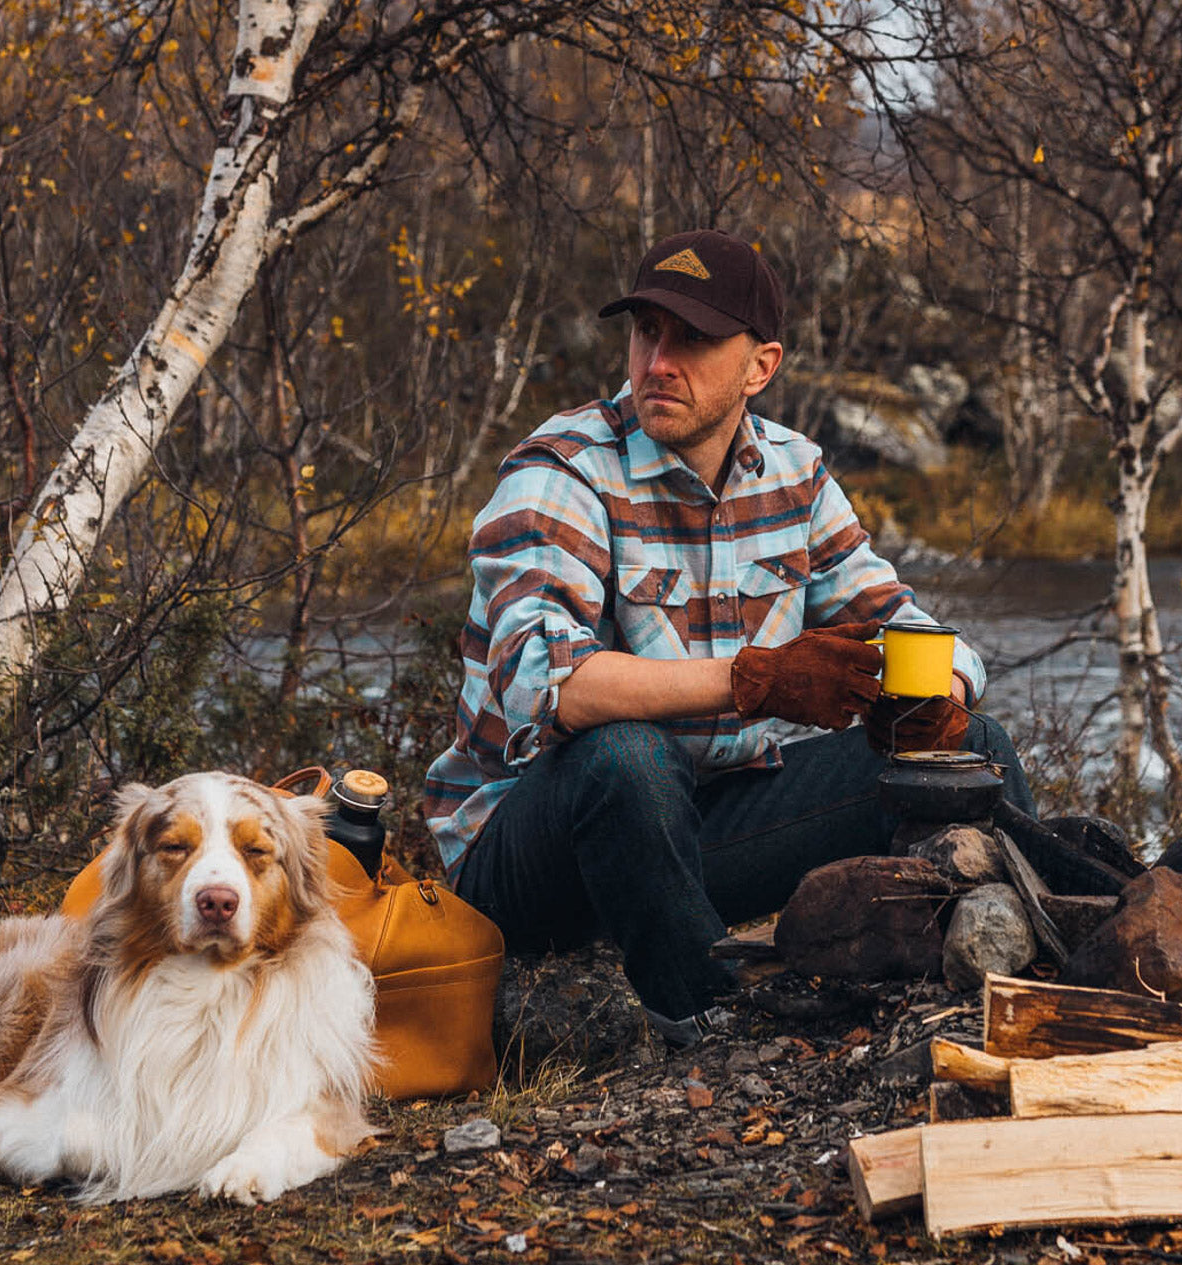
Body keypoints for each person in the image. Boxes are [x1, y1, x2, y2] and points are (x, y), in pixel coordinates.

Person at [424, 229, 1035, 1044]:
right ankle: (714, 1024)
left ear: (761, 366)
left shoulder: (795, 472)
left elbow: (903, 621)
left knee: (976, 750)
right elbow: (552, 686)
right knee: (627, 758)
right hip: (530, 855)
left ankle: (1029, 979)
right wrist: (756, 680)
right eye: (646, 331)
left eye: (694, 339)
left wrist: (936, 695)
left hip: (704, 828)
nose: (657, 361)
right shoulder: (560, 472)